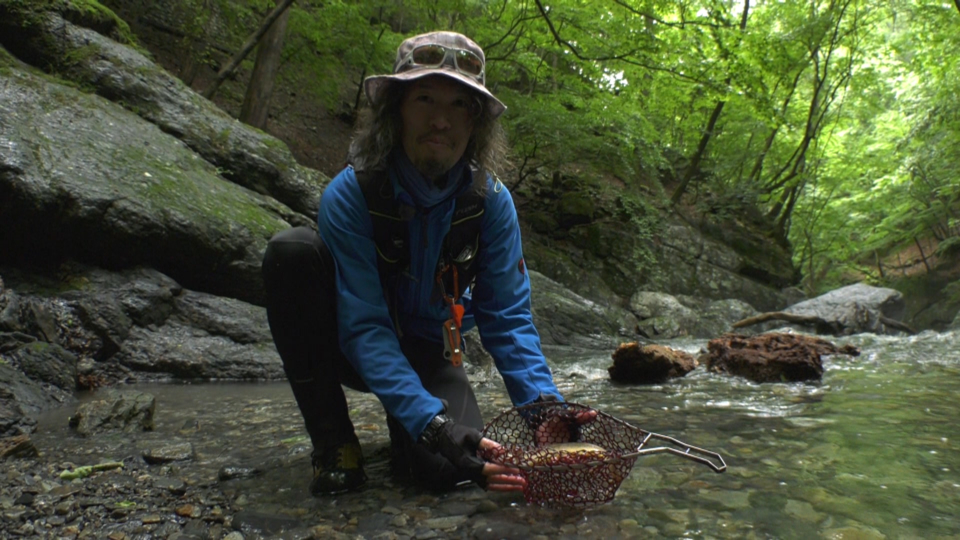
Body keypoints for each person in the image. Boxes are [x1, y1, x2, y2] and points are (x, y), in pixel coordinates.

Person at [261, 31, 581, 496]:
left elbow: (508, 322)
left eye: (459, 106)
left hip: (430, 349)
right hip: (346, 345)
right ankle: (334, 443)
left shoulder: (491, 203)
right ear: (395, 109)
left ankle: (409, 433)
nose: (440, 121)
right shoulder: (351, 195)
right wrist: (431, 423)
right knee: (291, 252)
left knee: (456, 471)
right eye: (425, 98)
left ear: (476, 124)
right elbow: (365, 328)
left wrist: (546, 410)